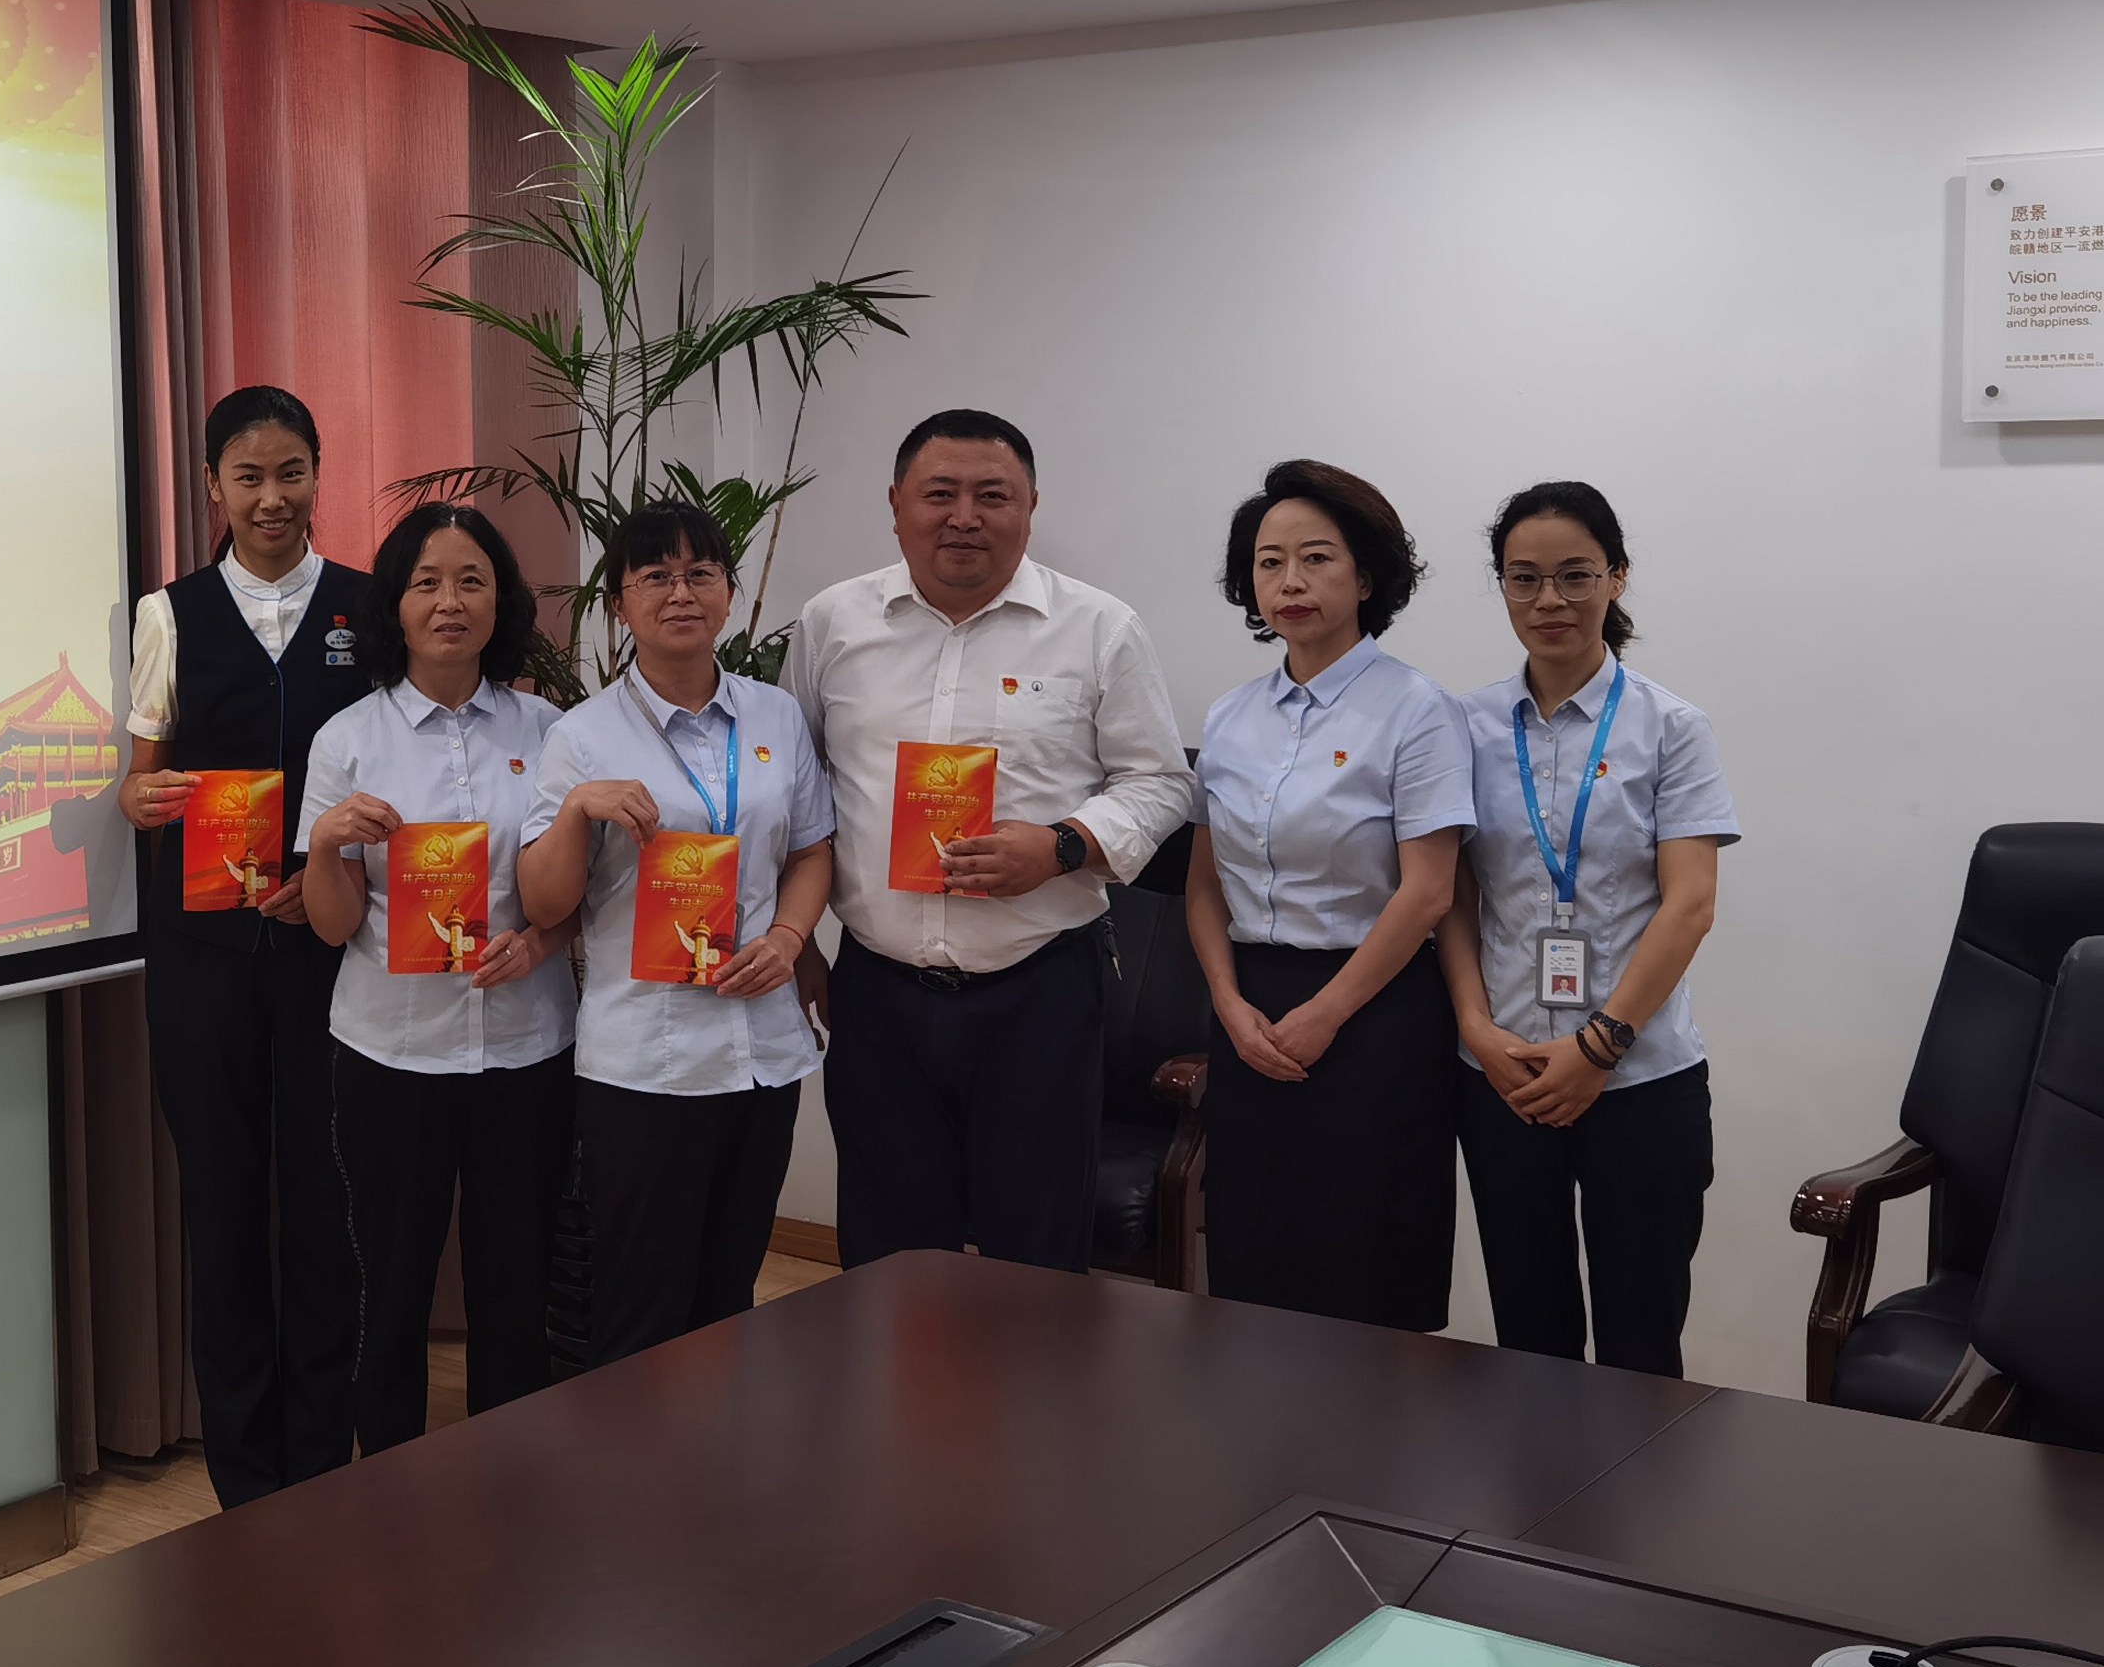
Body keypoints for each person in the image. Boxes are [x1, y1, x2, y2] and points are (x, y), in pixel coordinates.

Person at [793, 410, 1193, 1271]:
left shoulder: (1100, 627)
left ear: (1031, 507)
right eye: (940, 493)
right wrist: (795, 941)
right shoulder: (832, 624)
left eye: (993, 496)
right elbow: (796, 792)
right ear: (896, 504)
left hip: (1039, 992)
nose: (964, 517)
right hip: (878, 994)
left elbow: (1162, 783)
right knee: (888, 1259)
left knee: (1035, 1260)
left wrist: (1061, 846)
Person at [119, 386, 384, 1505]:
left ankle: (321, 1459)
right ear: (213, 487)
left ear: (318, 475)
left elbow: (403, 767)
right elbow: (140, 780)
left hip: (333, 949)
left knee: (328, 1201)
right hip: (203, 960)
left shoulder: (371, 606)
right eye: (248, 477)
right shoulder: (168, 613)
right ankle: (245, 1478)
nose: (271, 497)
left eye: (290, 473)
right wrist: (140, 800)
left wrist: (327, 873)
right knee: (223, 1208)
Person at [521, 501, 837, 1362]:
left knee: (729, 1295)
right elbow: (544, 904)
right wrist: (576, 812)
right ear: (619, 604)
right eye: (655, 576)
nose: (681, 592)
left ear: (729, 592)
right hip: (644, 1063)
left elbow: (812, 849)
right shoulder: (582, 736)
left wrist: (790, 938)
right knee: (642, 1309)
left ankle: (721, 1450)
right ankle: (636, 1455)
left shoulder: (776, 717)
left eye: (701, 573)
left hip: (761, 1050)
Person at [1439, 481, 1737, 1377]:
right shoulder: (1463, 726)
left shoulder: (1672, 727)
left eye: (1575, 575)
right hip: (1505, 1073)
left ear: (1617, 577)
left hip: (1640, 1077)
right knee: (1529, 1341)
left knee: (1641, 1344)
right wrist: (1474, 1027)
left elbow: (1690, 904)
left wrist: (1600, 1045)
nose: (1549, 601)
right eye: (1523, 579)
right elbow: (1450, 896)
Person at [296, 504, 573, 1452]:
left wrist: (537, 946)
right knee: (392, 1285)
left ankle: (510, 1481)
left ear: (502, 602)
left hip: (527, 1046)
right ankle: (391, 1490)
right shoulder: (347, 740)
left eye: (471, 581)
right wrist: (325, 846)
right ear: (395, 605)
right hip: (392, 1052)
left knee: (517, 1283)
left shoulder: (550, 731)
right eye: (427, 582)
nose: (450, 602)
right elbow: (333, 924)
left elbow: (581, 890)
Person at [1185, 458, 1473, 1330]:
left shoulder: (1419, 711)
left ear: (1367, 577)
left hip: (1375, 1011)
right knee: (1252, 1256)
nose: (1291, 582)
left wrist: (1326, 1014)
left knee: (1365, 1268)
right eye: (1269, 562)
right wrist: (1228, 1003)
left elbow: (1429, 893)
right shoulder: (1229, 716)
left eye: (1317, 558)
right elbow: (1205, 882)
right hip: (1250, 1009)